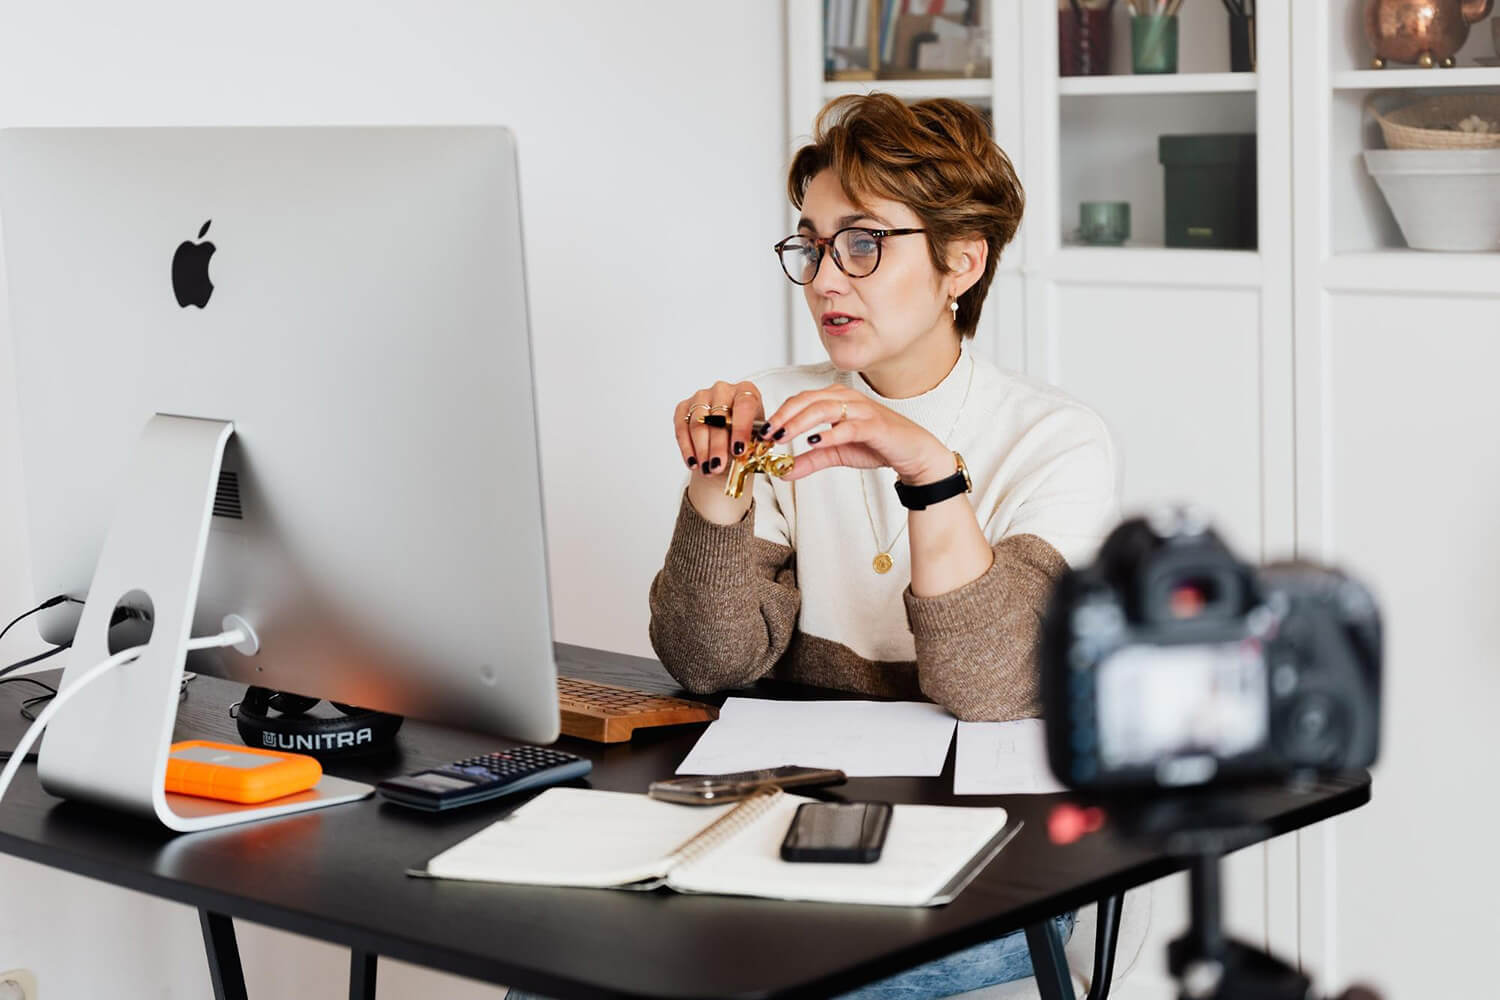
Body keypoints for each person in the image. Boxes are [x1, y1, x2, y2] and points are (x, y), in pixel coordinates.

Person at [644, 94, 1119, 998]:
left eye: (863, 243)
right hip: (792, 831)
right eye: (813, 244)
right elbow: (708, 662)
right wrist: (715, 491)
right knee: (569, 967)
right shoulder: (777, 409)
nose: (827, 279)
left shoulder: (1056, 439)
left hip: (999, 864)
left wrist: (929, 473)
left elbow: (991, 688)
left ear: (960, 263)